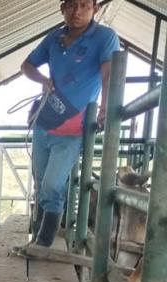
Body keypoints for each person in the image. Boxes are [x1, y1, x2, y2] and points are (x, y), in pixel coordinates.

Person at [21, 0, 119, 247]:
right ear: (62, 8)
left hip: (73, 128)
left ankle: (43, 242)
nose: (77, 12)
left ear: (95, 9)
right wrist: (43, 79)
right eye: (72, 5)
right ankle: (38, 237)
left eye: (85, 6)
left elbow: (109, 72)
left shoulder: (104, 37)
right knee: (42, 182)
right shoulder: (54, 38)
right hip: (45, 122)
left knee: (53, 183)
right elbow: (27, 65)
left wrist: (107, 105)